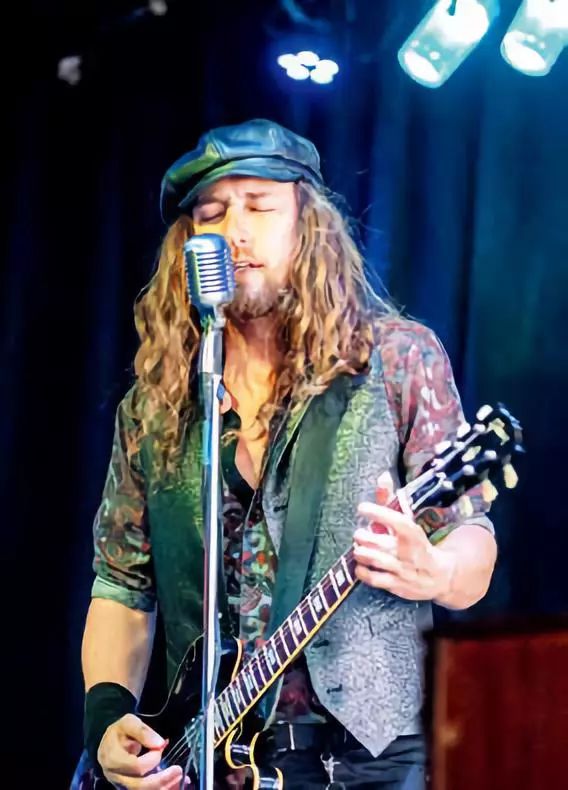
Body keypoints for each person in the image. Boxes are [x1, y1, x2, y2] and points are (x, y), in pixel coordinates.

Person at [73, 118, 497, 790]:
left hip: (372, 758)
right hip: (209, 757)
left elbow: (472, 541)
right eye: (212, 213)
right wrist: (104, 720)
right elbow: (122, 587)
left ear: (308, 224)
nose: (235, 231)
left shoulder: (395, 359)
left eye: (260, 206)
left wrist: (438, 570)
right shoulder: (155, 407)